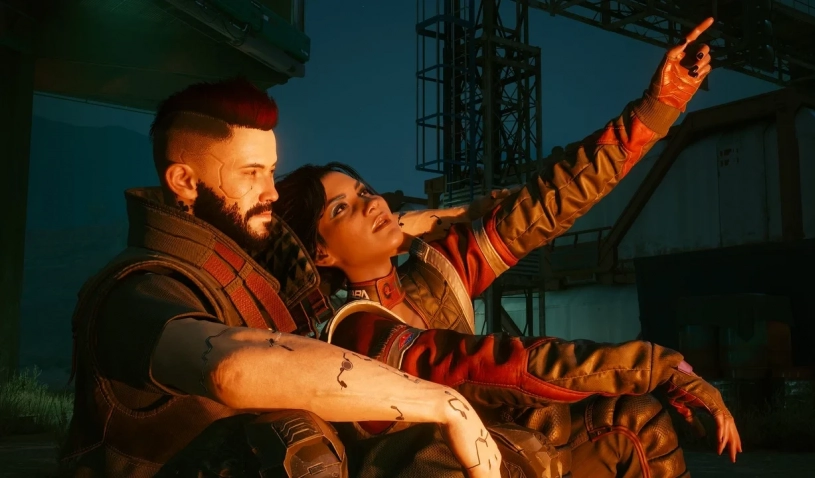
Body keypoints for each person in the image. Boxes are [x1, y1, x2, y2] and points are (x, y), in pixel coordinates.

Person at [271, 17, 742, 478]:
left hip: (504, 453)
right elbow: (495, 365)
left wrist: (658, 106)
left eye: (362, 190)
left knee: (634, 421)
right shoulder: (357, 335)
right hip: (450, 468)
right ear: (321, 254)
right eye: (341, 208)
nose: (370, 203)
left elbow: (549, 201)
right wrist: (655, 365)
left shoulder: (436, 275)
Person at [58, 77, 504, 478]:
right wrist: (445, 404)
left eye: (270, 171)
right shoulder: (140, 289)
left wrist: (457, 214)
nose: (270, 191)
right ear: (185, 182)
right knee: (292, 443)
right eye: (251, 173)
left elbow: (375, 230)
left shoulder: (246, 264)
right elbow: (232, 368)